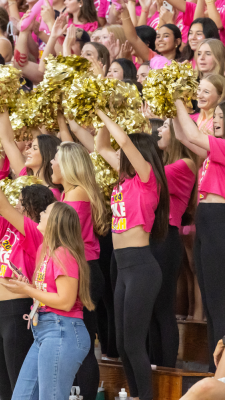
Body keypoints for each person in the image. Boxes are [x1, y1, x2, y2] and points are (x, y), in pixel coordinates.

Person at [96, 110, 170, 400]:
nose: (123, 156)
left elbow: (124, 143)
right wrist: (101, 116)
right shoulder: (125, 180)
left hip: (141, 266)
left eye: (129, 153)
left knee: (135, 343)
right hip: (124, 268)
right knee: (125, 342)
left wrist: (105, 111)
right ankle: (137, 395)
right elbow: (102, 147)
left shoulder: (148, 178)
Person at [0, 173, 55, 400]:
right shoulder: (5, 227)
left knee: (19, 383)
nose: (15, 204)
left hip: (18, 311)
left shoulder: (36, 232)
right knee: (4, 386)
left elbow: (0, 204)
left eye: (21, 201)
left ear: (33, 207)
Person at [2, 202, 94, 399]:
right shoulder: (47, 250)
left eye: (45, 211)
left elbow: (65, 301)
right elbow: (50, 293)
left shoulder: (64, 252)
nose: (41, 214)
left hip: (62, 330)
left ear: (55, 221)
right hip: (47, 331)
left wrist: (28, 290)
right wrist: (29, 286)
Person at [50, 141, 109, 400]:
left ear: (69, 166)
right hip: (82, 270)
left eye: (56, 159)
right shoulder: (70, 193)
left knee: (82, 345)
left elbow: (58, 235)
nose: (51, 163)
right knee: (78, 343)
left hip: (84, 272)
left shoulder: (76, 194)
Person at [173, 99, 225, 372]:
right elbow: (183, 136)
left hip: (219, 222)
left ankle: (221, 369)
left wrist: (179, 99)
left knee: (219, 297)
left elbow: (193, 134)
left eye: (220, 116)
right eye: (213, 116)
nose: (215, 120)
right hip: (206, 220)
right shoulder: (213, 152)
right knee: (209, 292)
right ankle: (214, 365)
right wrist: (168, 107)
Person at [148, 119, 196, 368]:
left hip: (166, 239)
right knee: (152, 308)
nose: (159, 130)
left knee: (163, 307)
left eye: (165, 126)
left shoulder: (184, 164)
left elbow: (145, 175)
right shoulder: (165, 163)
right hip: (152, 238)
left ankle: (167, 370)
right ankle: (156, 366)